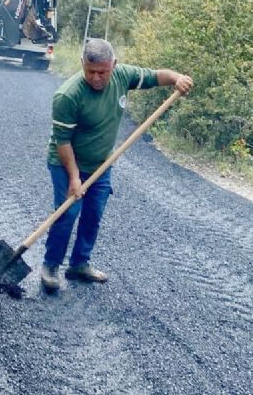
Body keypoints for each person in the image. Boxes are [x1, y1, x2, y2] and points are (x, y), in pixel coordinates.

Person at [40, 38, 193, 291]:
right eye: (91, 72)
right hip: (67, 162)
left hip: (102, 162)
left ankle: (79, 264)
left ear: (114, 65)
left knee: (93, 214)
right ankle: (51, 265)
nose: (97, 78)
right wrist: (75, 178)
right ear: (82, 65)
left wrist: (177, 78)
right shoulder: (67, 96)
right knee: (68, 213)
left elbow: (156, 77)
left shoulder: (123, 76)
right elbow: (62, 141)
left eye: (103, 72)